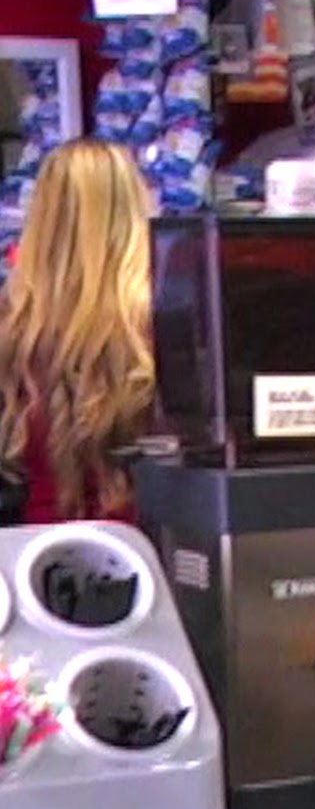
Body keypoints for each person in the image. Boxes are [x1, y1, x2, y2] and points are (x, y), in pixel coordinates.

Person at [0, 138, 156, 524]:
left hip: (33, 565)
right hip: (153, 560)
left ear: (41, 218)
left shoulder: (12, 328)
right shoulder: (166, 324)